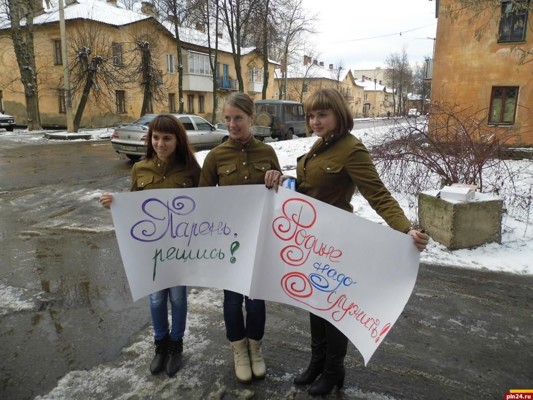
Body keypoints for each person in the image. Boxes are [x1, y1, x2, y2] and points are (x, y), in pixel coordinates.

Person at [264, 88, 429, 396]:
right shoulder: (320, 145)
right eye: (311, 115)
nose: (315, 121)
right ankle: (317, 362)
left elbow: (377, 194)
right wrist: (285, 181)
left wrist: (405, 229)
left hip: (336, 242)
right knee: (314, 304)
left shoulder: (352, 150)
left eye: (322, 114)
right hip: (311, 241)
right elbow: (311, 186)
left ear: (338, 115)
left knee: (332, 309)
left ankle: (333, 370)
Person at [100, 114, 201, 378]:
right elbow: (135, 207)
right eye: (156, 138)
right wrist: (116, 204)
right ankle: (161, 345)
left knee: (178, 298)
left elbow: (203, 208)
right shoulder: (140, 168)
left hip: (180, 249)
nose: (160, 143)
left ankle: (176, 345)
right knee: (156, 299)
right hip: (152, 249)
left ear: (178, 140)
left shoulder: (191, 169)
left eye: (167, 138)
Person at [199, 92, 282, 383]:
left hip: (259, 240)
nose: (232, 124)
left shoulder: (266, 152)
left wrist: (277, 179)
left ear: (251, 117)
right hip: (229, 245)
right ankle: (239, 350)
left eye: (238, 118)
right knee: (233, 300)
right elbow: (203, 200)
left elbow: (280, 196)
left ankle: (255, 348)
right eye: (227, 118)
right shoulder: (216, 156)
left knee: (256, 300)